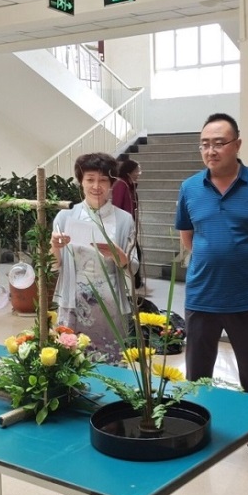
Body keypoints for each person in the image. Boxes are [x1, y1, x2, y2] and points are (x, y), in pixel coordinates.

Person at [175, 113, 248, 402]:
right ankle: (198, 425)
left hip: (247, 297)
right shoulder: (189, 188)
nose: (211, 150)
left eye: (219, 143)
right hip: (202, 297)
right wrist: (215, 255)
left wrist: (240, 252)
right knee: (196, 379)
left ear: (237, 144)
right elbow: (187, 236)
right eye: (204, 144)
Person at [51, 152, 139, 363]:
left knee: (110, 363)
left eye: (103, 180)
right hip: (73, 302)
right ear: (81, 182)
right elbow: (54, 265)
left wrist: (119, 255)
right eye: (90, 179)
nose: (96, 186)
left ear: (111, 183)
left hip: (110, 305)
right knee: (70, 362)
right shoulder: (65, 217)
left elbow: (133, 267)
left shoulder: (124, 220)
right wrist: (54, 246)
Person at [112, 158, 144, 291]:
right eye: (137, 170)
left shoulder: (129, 185)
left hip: (129, 226)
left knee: (135, 253)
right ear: (129, 171)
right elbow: (116, 205)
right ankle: (133, 282)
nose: (139, 173)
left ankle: (135, 281)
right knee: (134, 253)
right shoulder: (121, 184)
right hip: (122, 227)